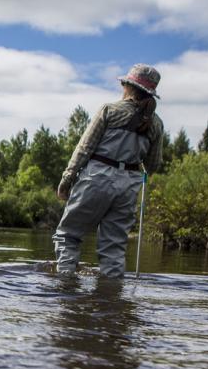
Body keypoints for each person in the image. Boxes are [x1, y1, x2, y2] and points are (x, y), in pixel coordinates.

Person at [53, 64, 164, 277]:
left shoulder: (109, 110)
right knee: (113, 248)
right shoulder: (156, 124)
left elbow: (84, 148)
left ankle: (65, 288)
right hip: (129, 185)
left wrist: (67, 178)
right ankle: (112, 300)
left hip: (97, 177)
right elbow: (153, 165)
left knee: (68, 235)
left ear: (127, 86)